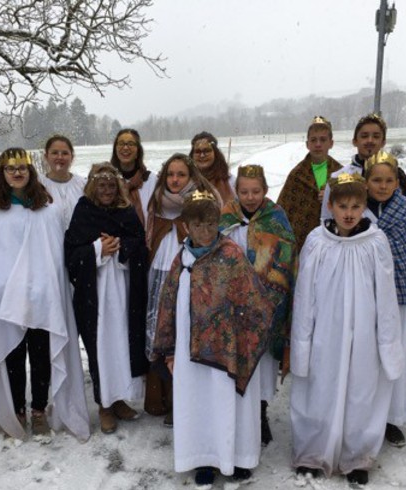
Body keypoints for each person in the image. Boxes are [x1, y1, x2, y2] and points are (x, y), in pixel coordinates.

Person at [0, 148, 89, 442]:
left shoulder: (47, 208)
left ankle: (39, 410)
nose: (17, 173)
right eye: (11, 169)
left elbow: (54, 255)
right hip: (4, 299)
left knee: (41, 354)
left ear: (31, 172)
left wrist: (47, 286)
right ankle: (16, 410)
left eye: (22, 168)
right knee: (13, 356)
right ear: (2, 174)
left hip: (41, 298)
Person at [153, 190, 272, 487]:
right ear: (187, 226)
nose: (204, 231)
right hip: (189, 350)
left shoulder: (231, 255)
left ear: (217, 222)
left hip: (229, 348)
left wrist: (244, 338)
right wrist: (168, 348)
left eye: (209, 224)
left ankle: (239, 457)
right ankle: (202, 458)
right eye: (197, 225)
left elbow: (254, 301)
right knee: (198, 403)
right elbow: (167, 303)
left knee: (229, 402)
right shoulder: (181, 260)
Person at [290, 174, 403, 486]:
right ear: (331, 206)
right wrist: (303, 338)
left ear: (365, 206)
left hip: (364, 332)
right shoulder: (316, 241)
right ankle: (312, 453)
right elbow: (305, 293)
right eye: (342, 206)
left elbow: (385, 294)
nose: (349, 213)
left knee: (360, 391)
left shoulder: (375, 243)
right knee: (320, 388)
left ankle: (358, 457)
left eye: (356, 206)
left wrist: (386, 340)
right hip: (326, 332)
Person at [65, 163, 149, 435]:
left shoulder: (126, 211)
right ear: (92, 186)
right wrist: (97, 249)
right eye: (101, 185)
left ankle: (121, 398)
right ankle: (104, 404)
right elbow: (71, 253)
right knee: (101, 345)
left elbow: (139, 242)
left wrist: (122, 247)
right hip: (96, 291)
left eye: (111, 186)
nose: (106, 191)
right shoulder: (83, 211)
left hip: (123, 290)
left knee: (122, 343)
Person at [220, 164, 296, 447]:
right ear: (236, 191)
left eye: (255, 191)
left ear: (265, 190)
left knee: (262, 365)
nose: (250, 197)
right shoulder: (225, 217)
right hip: (233, 307)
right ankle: (238, 415)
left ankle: (261, 413)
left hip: (267, 306)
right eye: (244, 191)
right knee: (236, 360)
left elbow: (287, 258)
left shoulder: (276, 218)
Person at [363, 151, 406, 447]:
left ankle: (391, 418)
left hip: (397, 300)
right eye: (376, 179)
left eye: (388, 180)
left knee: (392, 357)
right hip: (363, 299)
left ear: (397, 182)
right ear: (365, 182)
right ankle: (363, 415)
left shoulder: (405, 213)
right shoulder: (354, 209)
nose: (382, 185)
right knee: (363, 359)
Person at [143, 153, 218, 426]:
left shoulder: (202, 203)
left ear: (191, 178)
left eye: (181, 175)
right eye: (171, 175)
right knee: (160, 336)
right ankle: (158, 397)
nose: (175, 180)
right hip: (159, 276)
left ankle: (184, 403)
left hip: (190, 279)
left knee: (186, 336)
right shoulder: (156, 202)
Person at [277, 116, 342, 251]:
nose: (318, 144)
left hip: (335, 241)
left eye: (323, 140)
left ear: (331, 143)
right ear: (307, 144)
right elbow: (282, 212)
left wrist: (332, 197)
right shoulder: (297, 175)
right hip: (302, 242)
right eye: (313, 140)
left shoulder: (341, 173)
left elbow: (353, 205)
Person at [320, 113, 387, 221]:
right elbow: (326, 218)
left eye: (376, 136)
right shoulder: (338, 178)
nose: (370, 140)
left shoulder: (397, 176)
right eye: (364, 136)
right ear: (355, 141)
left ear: (383, 142)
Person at [110, 128, 157, 226]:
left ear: (138, 151)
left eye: (130, 144)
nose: (126, 148)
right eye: (121, 143)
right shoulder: (109, 181)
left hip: (146, 238)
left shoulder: (151, 180)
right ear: (115, 150)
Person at [39, 134, 87, 230]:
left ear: (72, 157)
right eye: (54, 153)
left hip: (78, 243)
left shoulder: (83, 185)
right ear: (46, 156)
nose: (60, 157)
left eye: (65, 153)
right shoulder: (37, 184)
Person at [189, 131, 236, 203]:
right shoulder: (185, 180)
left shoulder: (230, 181)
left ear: (215, 153)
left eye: (207, 151)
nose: (202, 155)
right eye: (198, 152)